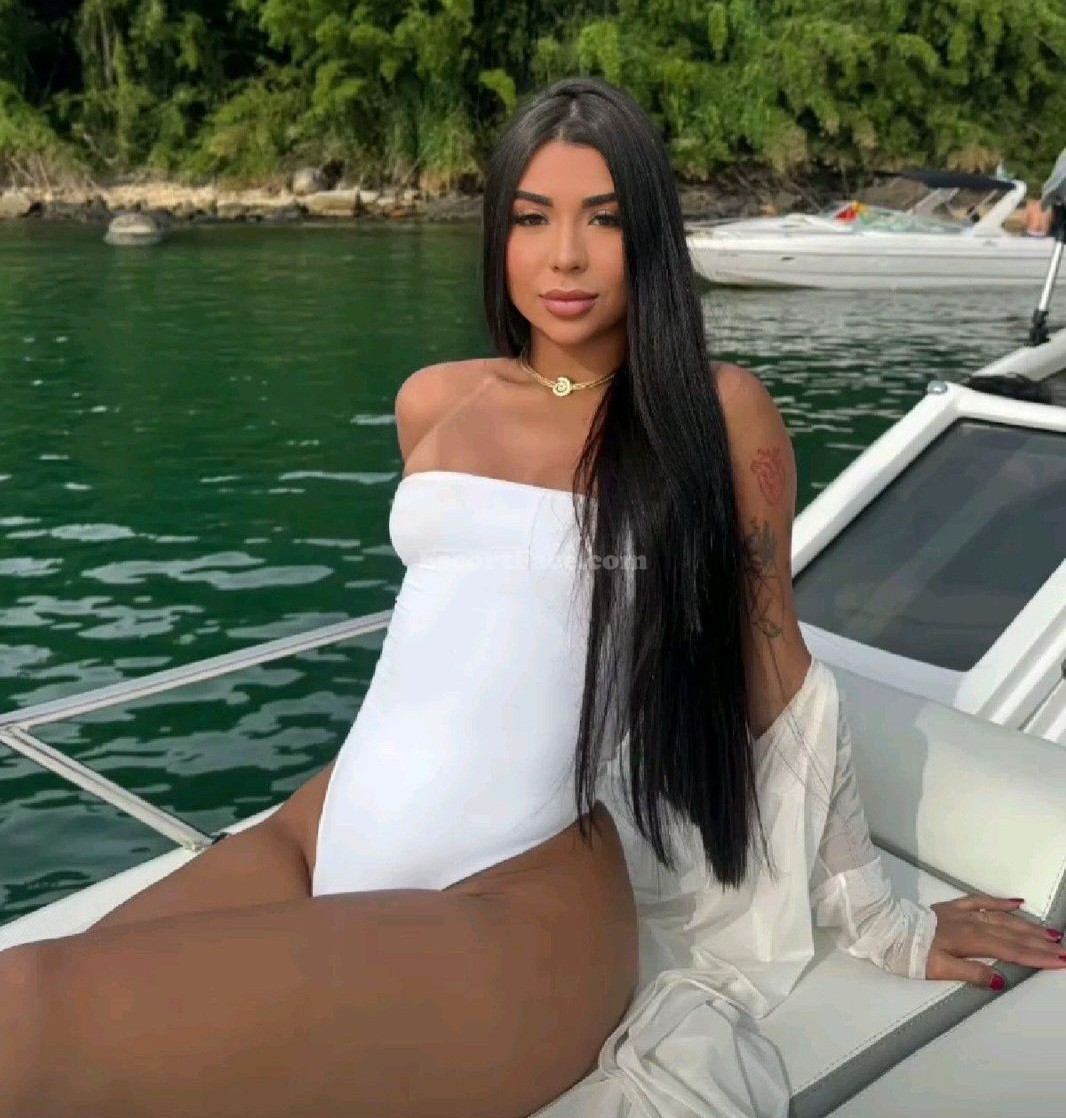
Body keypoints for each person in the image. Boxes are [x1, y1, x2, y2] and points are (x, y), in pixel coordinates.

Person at [2, 76, 1064, 1118]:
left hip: (517, 909)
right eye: (531, 218)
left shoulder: (713, 413)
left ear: (649, 236)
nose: (564, 256)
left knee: (33, 1014)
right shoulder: (434, 399)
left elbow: (774, 667)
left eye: (603, 219)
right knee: (52, 993)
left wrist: (881, 918)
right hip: (319, 831)